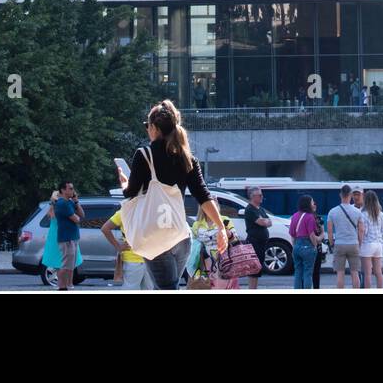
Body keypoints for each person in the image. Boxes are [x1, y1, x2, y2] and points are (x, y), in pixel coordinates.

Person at [118, 99, 227, 289]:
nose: (147, 130)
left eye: (147, 126)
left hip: (154, 236)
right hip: (180, 236)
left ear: (154, 128)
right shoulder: (187, 159)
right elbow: (203, 195)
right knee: (171, 286)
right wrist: (221, 228)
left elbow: (131, 193)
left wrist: (124, 182)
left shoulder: (144, 155)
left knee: (167, 288)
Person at [325, 184, 364, 288]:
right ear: (351, 195)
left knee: (340, 273)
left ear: (340, 195)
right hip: (353, 244)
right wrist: (359, 243)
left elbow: (329, 231)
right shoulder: (357, 212)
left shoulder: (332, 212)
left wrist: (332, 244)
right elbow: (361, 230)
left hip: (339, 244)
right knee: (355, 273)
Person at [102, 208, 149, 289]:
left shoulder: (149, 210)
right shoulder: (124, 212)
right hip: (134, 260)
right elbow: (105, 228)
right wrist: (118, 246)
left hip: (148, 260)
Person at [52, 181, 84, 291]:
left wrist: (76, 201)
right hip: (66, 239)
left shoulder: (69, 202)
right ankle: (61, 287)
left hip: (73, 237)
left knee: (71, 266)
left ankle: (68, 286)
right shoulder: (62, 203)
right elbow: (76, 219)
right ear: (63, 190)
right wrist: (77, 218)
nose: (73, 191)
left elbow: (82, 215)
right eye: (70, 188)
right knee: (66, 265)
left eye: (73, 188)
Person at [288, 194, 322, 289]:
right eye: (312, 202)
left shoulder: (294, 216)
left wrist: (295, 246)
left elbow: (292, 234)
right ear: (308, 204)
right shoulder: (310, 217)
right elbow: (311, 234)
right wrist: (315, 245)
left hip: (297, 246)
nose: (313, 203)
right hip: (307, 246)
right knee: (308, 273)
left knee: (298, 272)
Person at [243, 187, 272, 291]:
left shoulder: (260, 209)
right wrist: (265, 221)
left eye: (261, 195)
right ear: (252, 196)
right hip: (254, 243)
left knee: (257, 270)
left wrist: (265, 221)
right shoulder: (250, 209)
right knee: (253, 270)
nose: (262, 197)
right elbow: (262, 222)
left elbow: (270, 222)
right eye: (259, 195)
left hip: (261, 243)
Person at [359, 189, 383, 288]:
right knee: (378, 272)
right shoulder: (381, 214)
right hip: (379, 244)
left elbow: (364, 231)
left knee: (367, 273)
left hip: (367, 244)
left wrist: (359, 244)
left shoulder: (363, 214)